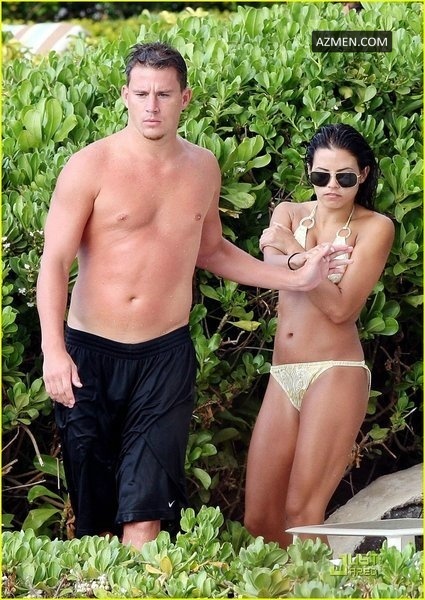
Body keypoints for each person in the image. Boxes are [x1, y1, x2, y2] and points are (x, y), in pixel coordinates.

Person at [36, 42, 348, 549]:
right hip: (90, 355)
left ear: (185, 98)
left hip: (165, 356)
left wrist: (297, 278)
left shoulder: (202, 168)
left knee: (146, 516)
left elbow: (212, 251)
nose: (151, 106)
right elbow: (54, 261)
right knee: (96, 522)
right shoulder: (89, 166)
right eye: (141, 94)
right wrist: (54, 349)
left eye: (163, 94)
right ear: (125, 96)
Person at [244, 123, 395, 548]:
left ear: (363, 174)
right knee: (259, 516)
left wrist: (295, 253)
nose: (332, 186)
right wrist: (313, 266)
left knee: (302, 511)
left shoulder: (375, 227)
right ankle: (289, 583)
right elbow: (270, 267)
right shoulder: (288, 213)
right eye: (321, 175)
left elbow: (341, 308)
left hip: (335, 370)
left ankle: (318, 583)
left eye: (345, 177)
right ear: (308, 170)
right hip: (283, 373)